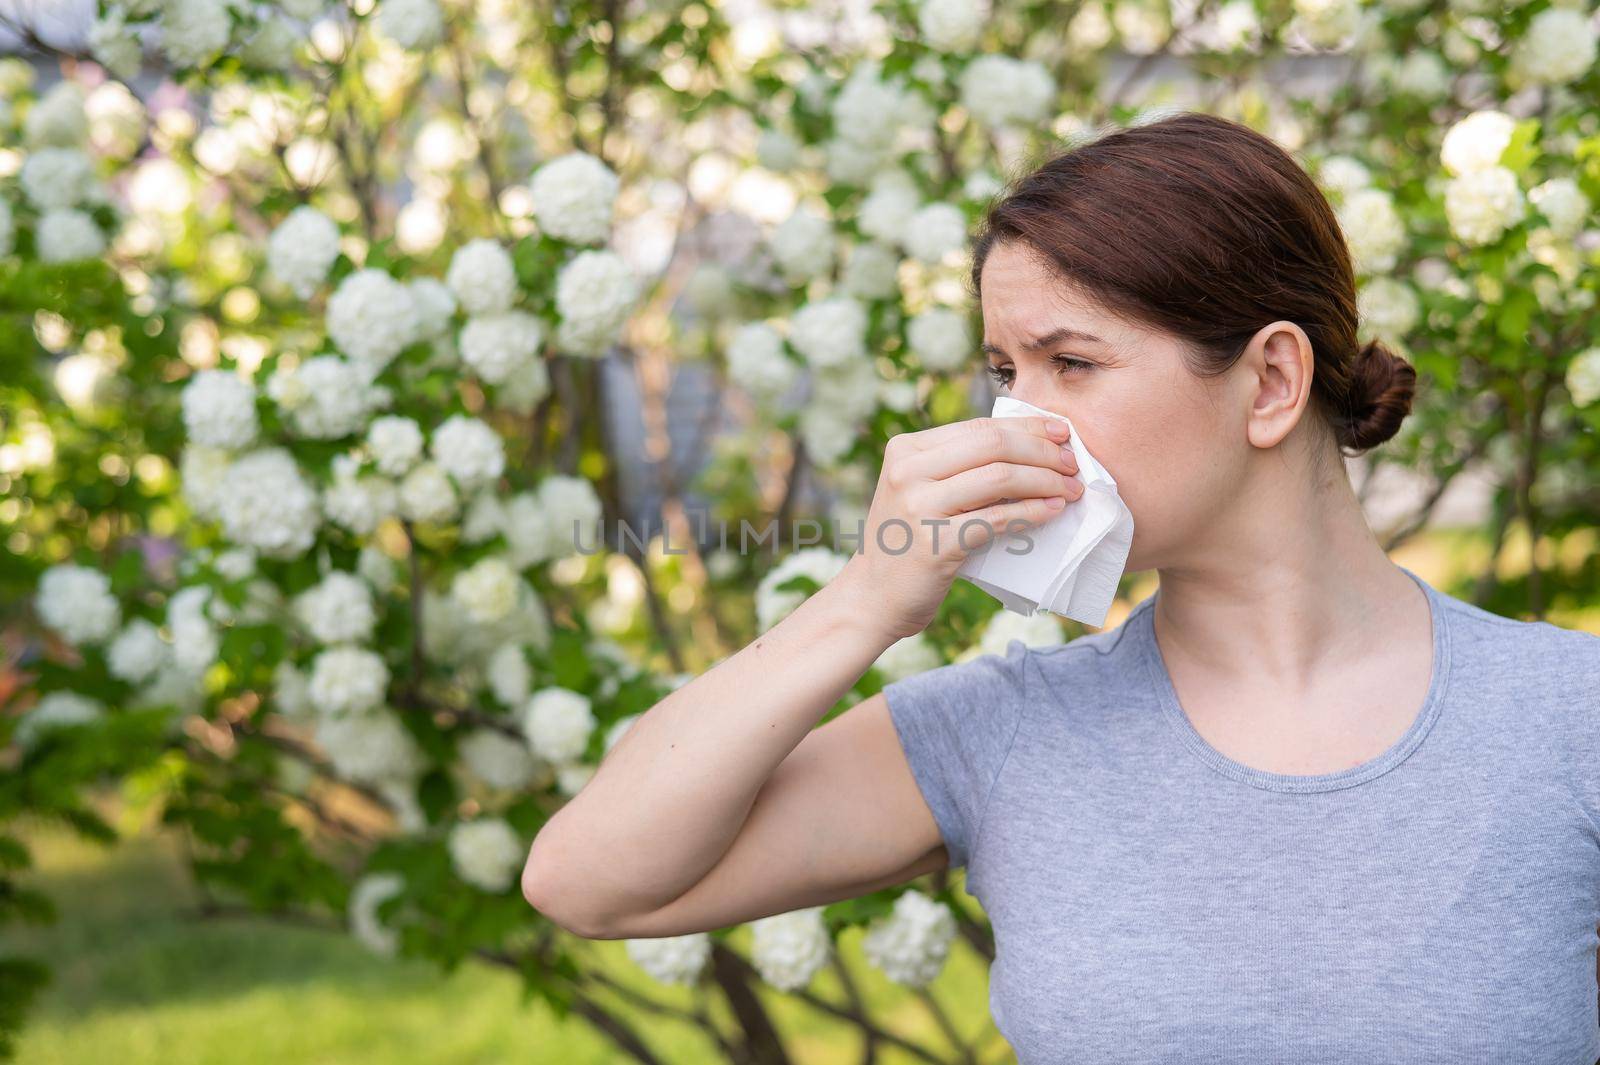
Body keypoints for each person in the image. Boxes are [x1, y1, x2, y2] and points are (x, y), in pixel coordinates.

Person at [521, 112, 1600, 1062]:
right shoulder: (1004, 735)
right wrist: (866, 601)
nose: (1017, 424)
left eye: (1070, 364)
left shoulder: (1567, 717)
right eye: (1004, 371)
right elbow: (589, 882)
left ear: (1270, 381)